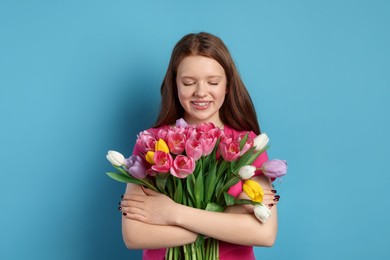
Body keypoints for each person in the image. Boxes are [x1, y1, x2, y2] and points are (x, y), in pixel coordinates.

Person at [119, 32, 279, 260]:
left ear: (228, 86)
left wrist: (171, 213)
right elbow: (134, 235)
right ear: (175, 85)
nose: (201, 92)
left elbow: (264, 233)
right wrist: (228, 221)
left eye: (213, 82)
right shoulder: (152, 144)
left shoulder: (248, 146)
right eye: (188, 82)